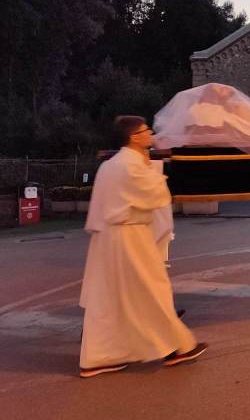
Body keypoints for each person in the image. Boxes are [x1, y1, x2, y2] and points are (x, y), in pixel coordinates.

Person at [79, 116, 207, 378]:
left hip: (108, 239)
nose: (150, 134)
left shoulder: (111, 165)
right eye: (146, 130)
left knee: (112, 298)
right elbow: (156, 195)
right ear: (135, 137)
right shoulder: (131, 165)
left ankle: (99, 357)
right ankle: (175, 348)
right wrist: (158, 168)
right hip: (129, 236)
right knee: (151, 290)